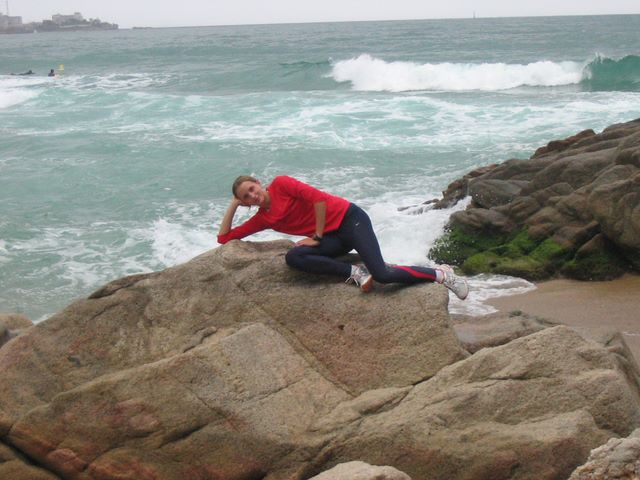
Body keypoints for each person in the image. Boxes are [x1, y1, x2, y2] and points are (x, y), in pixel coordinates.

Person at [217, 175, 469, 299]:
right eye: (246, 197)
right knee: (294, 257)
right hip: (333, 238)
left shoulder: (282, 184)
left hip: (350, 220)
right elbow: (224, 238)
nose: (253, 196)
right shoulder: (264, 218)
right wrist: (233, 204)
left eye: (252, 189)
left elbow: (318, 200)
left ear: (258, 183)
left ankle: (441, 274)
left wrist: (316, 236)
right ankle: (355, 273)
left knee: (383, 275)